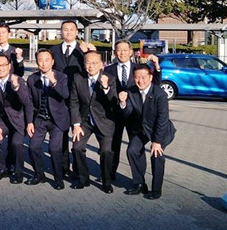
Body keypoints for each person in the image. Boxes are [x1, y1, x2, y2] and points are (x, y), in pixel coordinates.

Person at [103, 40, 162, 179]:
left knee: (136, 148)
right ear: (114, 52)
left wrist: (157, 67)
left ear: (130, 52)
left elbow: (155, 84)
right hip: (115, 114)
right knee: (113, 146)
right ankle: (110, 174)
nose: (122, 53)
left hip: (135, 115)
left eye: (125, 50)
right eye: (119, 50)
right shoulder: (108, 70)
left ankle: (139, 179)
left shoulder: (138, 68)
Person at [119, 65, 176, 200]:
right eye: (137, 77)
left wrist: (157, 141)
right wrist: (122, 103)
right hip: (142, 128)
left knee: (156, 155)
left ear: (150, 77)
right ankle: (139, 183)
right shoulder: (131, 91)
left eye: (143, 77)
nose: (140, 80)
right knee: (132, 150)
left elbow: (162, 119)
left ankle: (156, 189)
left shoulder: (160, 94)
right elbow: (128, 113)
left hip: (160, 129)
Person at [49, 20, 95, 176]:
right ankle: (63, 168)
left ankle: (77, 169)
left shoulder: (83, 50)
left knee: (77, 135)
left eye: (71, 29)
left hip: (79, 98)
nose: (68, 32)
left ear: (77, 32)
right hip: (59, 98)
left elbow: (93, 68)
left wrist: (89, 51)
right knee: (61, 134)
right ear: (61, 31)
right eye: (65, 29)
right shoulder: (53, 50)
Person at [70, 51, 118, 193]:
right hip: (84, 120)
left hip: (104, 121)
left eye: (94, 63)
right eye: (88, 63)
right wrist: (76, 124)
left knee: (106, 151)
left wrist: (105, 88)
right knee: (77, 147)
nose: (91, 66)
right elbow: (73, 102)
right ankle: (83, 178)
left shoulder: (110, 78)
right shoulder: (78, 78)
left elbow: (113, 103)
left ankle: (106, 181)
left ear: (102, 64)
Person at [0, 53, 33, 184]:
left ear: (9, 66)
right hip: (2, 120)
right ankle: (0, 169)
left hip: (18, 120)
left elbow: (26, 102)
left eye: (4, 65)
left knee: (16, 144)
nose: (0, 68)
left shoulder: (18, 80)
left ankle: (18, 172)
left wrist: (16, 88)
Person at [25, 49, 69, 190]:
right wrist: (29, 122)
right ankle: (39, 175)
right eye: (40, 60)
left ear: (52, 61)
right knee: (33, 147)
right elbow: (29, 102)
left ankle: (58, 178)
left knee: (54, 149)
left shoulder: (61, 77)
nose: (43, 63)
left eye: (47, 60)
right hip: (40, 118)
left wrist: (54, 82)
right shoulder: (32, 79)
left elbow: (65, 95)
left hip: (57, 120)